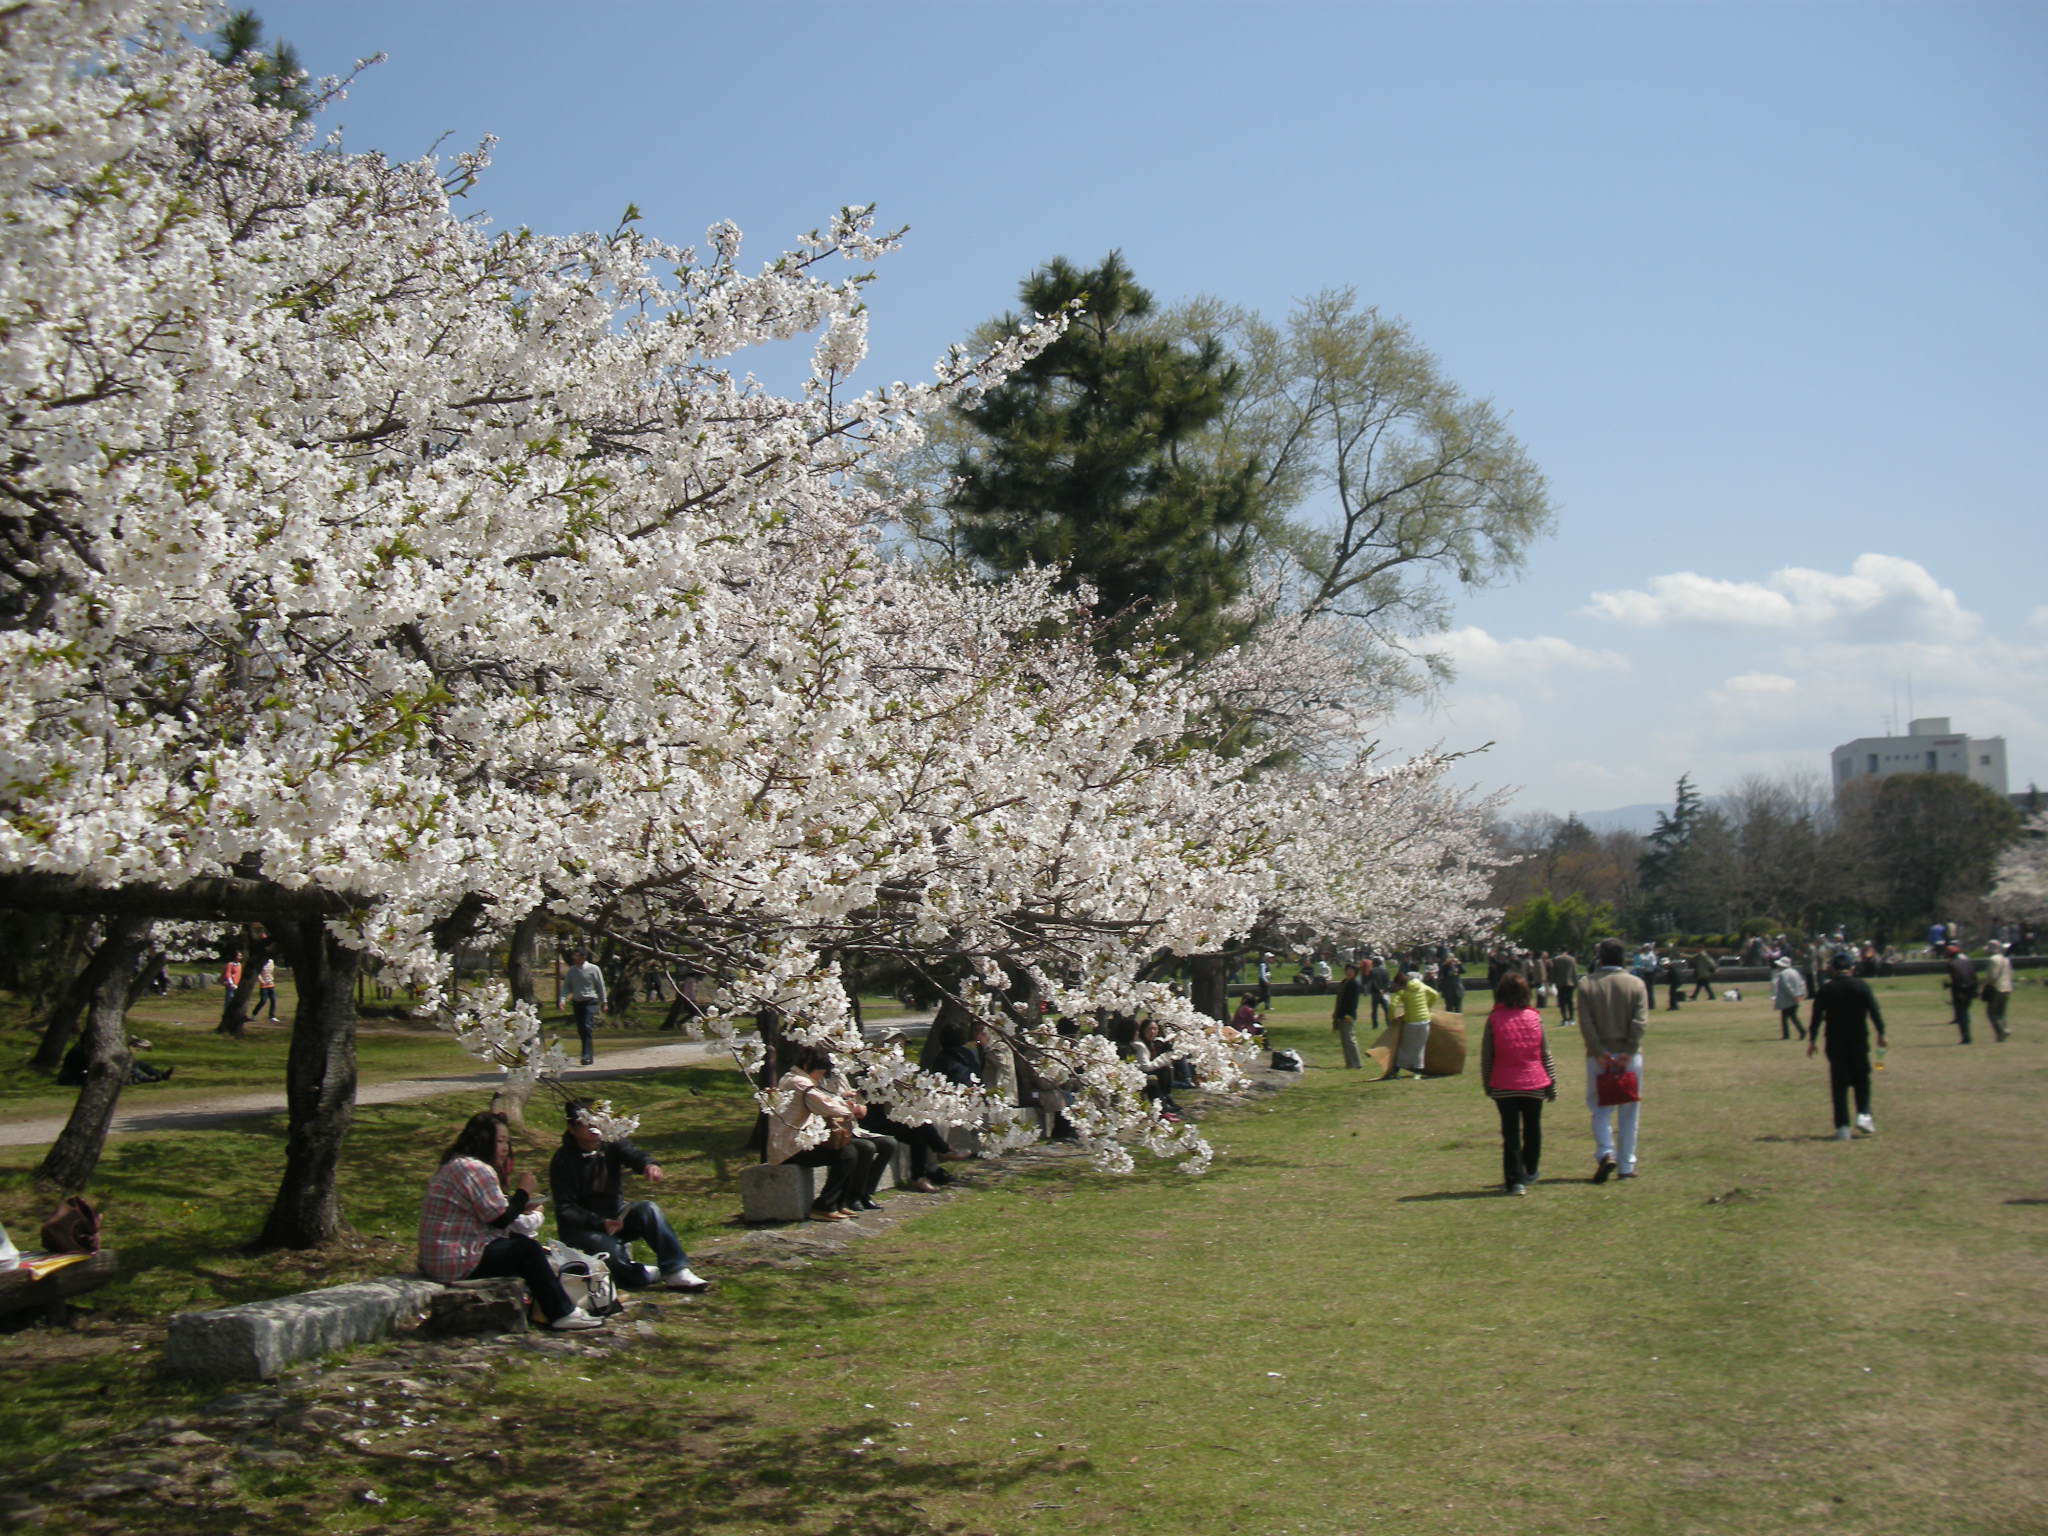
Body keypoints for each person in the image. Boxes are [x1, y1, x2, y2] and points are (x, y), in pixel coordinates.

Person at [419, 1110, 603, 1330]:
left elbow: (492, 1211)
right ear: (483, 1140)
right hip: (453, 1260)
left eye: (508, 1141)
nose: (505, 1148)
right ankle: (561, 1312)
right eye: (500, 1141)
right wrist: (523, 1192)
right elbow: (500, 1218)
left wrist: (519, 1205)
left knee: (522, 1245)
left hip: (439, 1257)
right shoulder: (475, 1169)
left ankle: (545, 1306)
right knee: (526, 1250)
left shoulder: (458, 1164)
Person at [549, 1102, 711, 1292]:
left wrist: (648, 1164)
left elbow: (633, 1154)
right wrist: (600, 1223)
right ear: (572, 1129)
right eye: (587, 1124)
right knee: (611, 1253)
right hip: (583, 1227)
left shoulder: (610, 1142)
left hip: (616, 1214)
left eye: (598, 1122)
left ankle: (676, 1269)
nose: (594, 1129)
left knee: (649, 1210)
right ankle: (639, 1273)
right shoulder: (562, 1161)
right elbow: (566, 1208)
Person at [765, 1041, 889, 1220]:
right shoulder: (801, 1083)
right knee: (847, 1153)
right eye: (820, 1073)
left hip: (794, 1142)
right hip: (791, 1147)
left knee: (859, 1148)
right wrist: (850, 1109)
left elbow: (824, 1101)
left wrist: (842, 1102)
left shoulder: (790, 1078)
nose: (819, 1078)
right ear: (808, 1066)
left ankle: (840, 1202)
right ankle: (824, 1205)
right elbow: (825, 1105)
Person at [1577, 938, 1648, 1182]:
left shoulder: (1586, 984)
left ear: (1601, 957)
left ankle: (1606, 1151)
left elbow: (1586, 1023)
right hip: (1630, 1056)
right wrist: (1629, 1050)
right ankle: (1627, 1164)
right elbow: (1639, 1021)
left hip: (1600, 1056)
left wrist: (1599, 1052)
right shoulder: (1636, 984)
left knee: (1600, 1109)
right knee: (1630, 1111)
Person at [1480, 972, 1557, 1195]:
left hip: (1503, 1084)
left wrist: (1488, 1084)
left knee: (1510, 1134)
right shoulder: (1535, 1017)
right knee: (1533, 1129)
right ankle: (1530, 1169)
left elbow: (1488, 1056)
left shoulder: (1494, 1019)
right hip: (1535, 1082)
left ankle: (1514, 1181)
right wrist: (1552, 1083)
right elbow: (1545, 1054)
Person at [1807, 952, 1887, 1139]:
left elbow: (1816, 1017)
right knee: (1862, 1079)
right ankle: (1864, 1115)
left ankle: (1842, 1127)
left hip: (1835, 1043)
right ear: (1852, 968)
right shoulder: (1861, 986)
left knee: (1839, 1083)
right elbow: (1874, 1010)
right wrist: (1881, 1033)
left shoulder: (1826, 989)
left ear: (1833, 969)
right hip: (1859, 1040)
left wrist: (1812, 1040)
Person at [1380, 961, 1443, 1081]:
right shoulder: (1420, 985)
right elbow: (1435, 994)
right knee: (1420, 1047)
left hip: (1411, 1022)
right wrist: (1427, 1007)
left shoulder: (1402, 991)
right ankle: (1417, 1072)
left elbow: (1392, 1005)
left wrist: (1392, 1018)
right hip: (1425, 1020)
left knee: (1405, 1047)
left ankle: (1396, 1070)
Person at [563, 947, 607, 1066]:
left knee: (587, 1026)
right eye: (574, 956)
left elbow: (600, 986)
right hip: (577, 1002)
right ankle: (588, 1053)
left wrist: (604, 1001)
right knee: (581, 1028)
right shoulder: (572, 971)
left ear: (583, 957)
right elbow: (567, 986)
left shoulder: (594, 969)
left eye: (577, 956)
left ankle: (586, 1055)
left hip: (590, 1001)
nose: (574, 958)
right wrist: (562, 999)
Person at [1331, 963, 1363, 1070]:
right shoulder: (1344, 982)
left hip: (1348, 1015)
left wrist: (1349, 1015)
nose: (1349, 972)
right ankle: (1349, 1063)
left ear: (1355, 972)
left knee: (1350, 1039)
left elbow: (1354, 1002)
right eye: (1347, 970)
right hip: (1340, 1014)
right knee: (1344, 1040)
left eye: (1351, 970)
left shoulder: (1355, 984)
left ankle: (1356, 1063)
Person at [1770, 957, 1807, 1040]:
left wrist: (1793, 995)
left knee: (1790, 1017)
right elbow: (1802, 983)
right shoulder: (1795, 972)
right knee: (1787, 1017)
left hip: (1788, 999)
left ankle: (1800, 1031)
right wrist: (1801, 994)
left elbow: (1787, 987)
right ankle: (1787, 1034)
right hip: (1795, 997)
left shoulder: (1783, 974)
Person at [1946, 943, 1976, 1044]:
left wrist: (1950, 986)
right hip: (1971, 988)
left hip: (1960, 990)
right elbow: (1973, 975)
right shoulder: (1968, 961)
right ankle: (1967, 1034)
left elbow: (1956, 979)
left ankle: (1966, 1037)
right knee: (1965, 1011)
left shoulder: (1952, 964)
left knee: (1961, 1014)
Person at [1984, 940, 2013, 1043]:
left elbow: (1992, 976)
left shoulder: (1992, 959)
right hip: (2007, 987)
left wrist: (1985, 985)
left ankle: (2001, 1032)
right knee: (2001, 1012)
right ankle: (2005, 1028)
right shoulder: (2006, 959)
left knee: (1991, 1012)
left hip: (1996, 988)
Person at [1551, 948, 1578, 1025]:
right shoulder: (1572, 959)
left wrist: (1552, 981)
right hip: (1570, 982)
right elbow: (1574, 971)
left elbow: (1554, 971)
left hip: (1560, 982)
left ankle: (1564, 1019)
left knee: (1562, 1001)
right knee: (1570, 1001)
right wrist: (1576, 982)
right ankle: (1571, 1018)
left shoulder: (1556, 959)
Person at [252, 956, 278, 1021]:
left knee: (273, 1000)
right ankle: (254, 1014)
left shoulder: (271, 961)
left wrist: (271, 979)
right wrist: (261, 981)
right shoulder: (261, 962)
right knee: (263, 1001)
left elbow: (271, 972)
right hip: (263, 984)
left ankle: (272, 1016)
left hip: (271, 983)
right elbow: (258, 973)